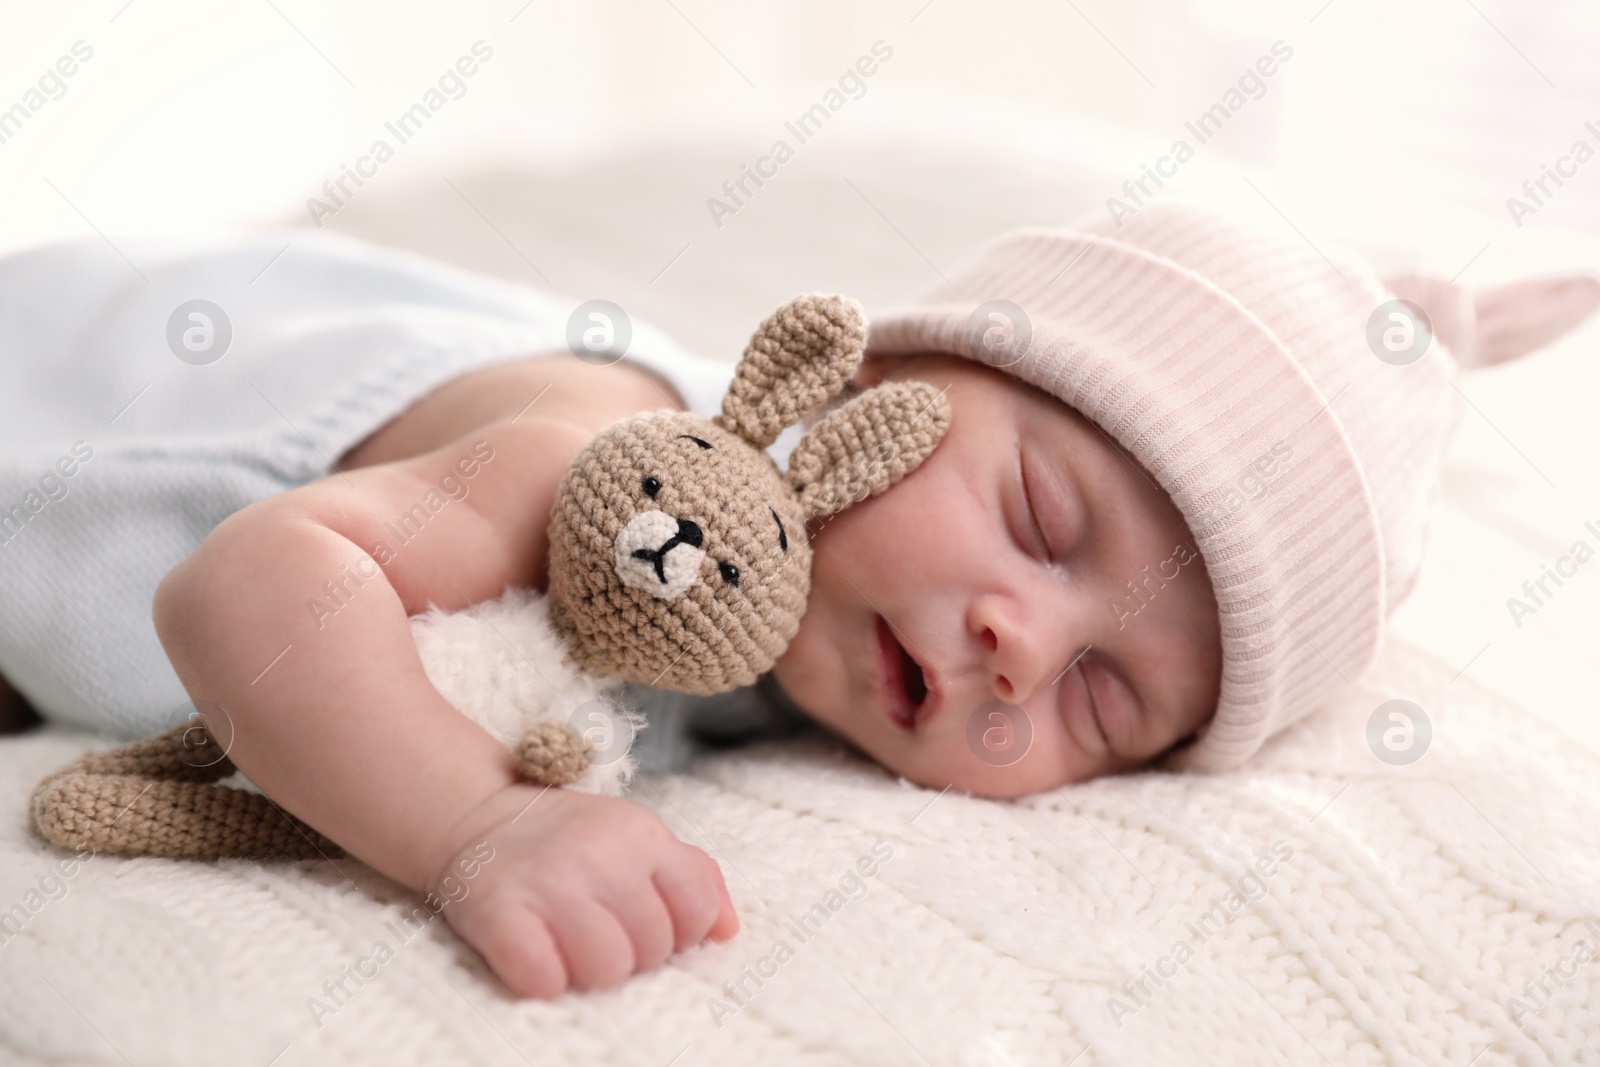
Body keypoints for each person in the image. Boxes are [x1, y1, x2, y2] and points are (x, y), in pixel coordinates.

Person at [2, 202, 1593, 999]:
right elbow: (252, 585)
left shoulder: (793, 679)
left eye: (1107, 702)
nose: (1022, 643)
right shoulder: (610, 480)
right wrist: (474, 829)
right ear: (885, 373)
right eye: (1043, 517)